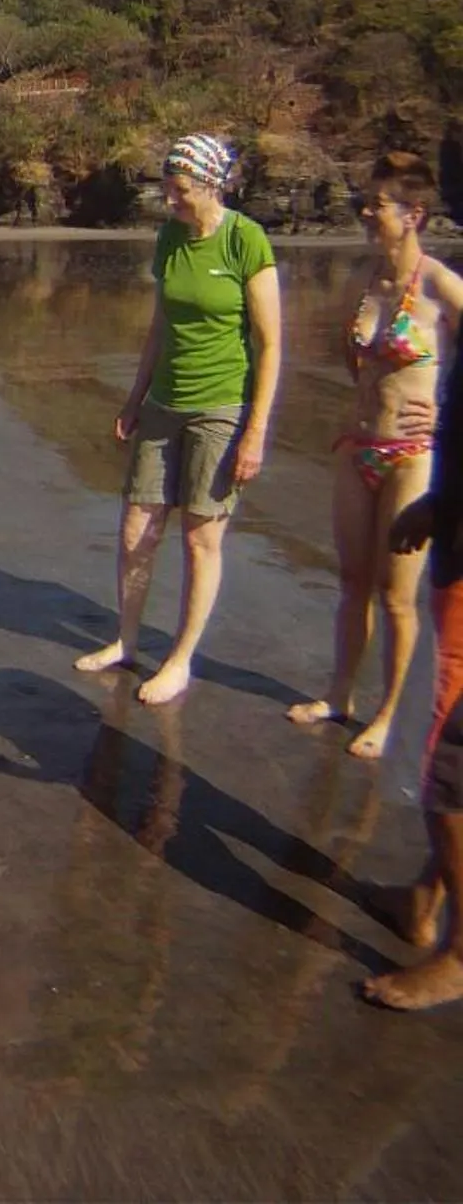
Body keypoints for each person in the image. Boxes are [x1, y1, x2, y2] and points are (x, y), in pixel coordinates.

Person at [75, 132, 281, 705]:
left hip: (221, 408)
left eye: (181, 188)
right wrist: (134, 398)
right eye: (167, 187)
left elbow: (270, 344)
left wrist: (256, 432)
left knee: (199, 539)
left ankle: (181, 659)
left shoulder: (245, 240)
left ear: (212, 185)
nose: (170, 199)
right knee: (136, 530)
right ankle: (126, 640)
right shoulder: (169, 237)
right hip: (164, 403)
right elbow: (160, 326)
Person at [288, 154, 462, 757]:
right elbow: (353, 362)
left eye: (378, 205)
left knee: (395, 594)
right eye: (365, 203)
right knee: (352, 582)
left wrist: (445, 415)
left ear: (414, 215)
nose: (366, 213)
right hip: (357, 445)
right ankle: (340, 696)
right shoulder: (361, 282)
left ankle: (389, 714)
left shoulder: (439, 285)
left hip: (412, 455)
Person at [369, 143, 463, 1011]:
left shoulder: (444, 284)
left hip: (437, 495)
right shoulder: (381, 281)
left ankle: (459, 949)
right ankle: (427, 895)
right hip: (443, 511)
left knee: (448, 750)